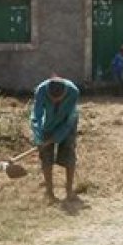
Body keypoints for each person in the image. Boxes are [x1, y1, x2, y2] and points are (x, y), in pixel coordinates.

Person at [30, 75, 80, 203]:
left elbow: (70, 120)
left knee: (69, 152)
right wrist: (39, 137)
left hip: (67, 122)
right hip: (47, 124)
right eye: (53, 99)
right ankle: (49, 191)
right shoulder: (41, 90)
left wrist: (57, 137)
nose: (56, 102)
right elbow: (36, 116)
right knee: (46, 156)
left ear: (64, 94)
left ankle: (69, 190)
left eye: (59, 99)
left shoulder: (73, 91)